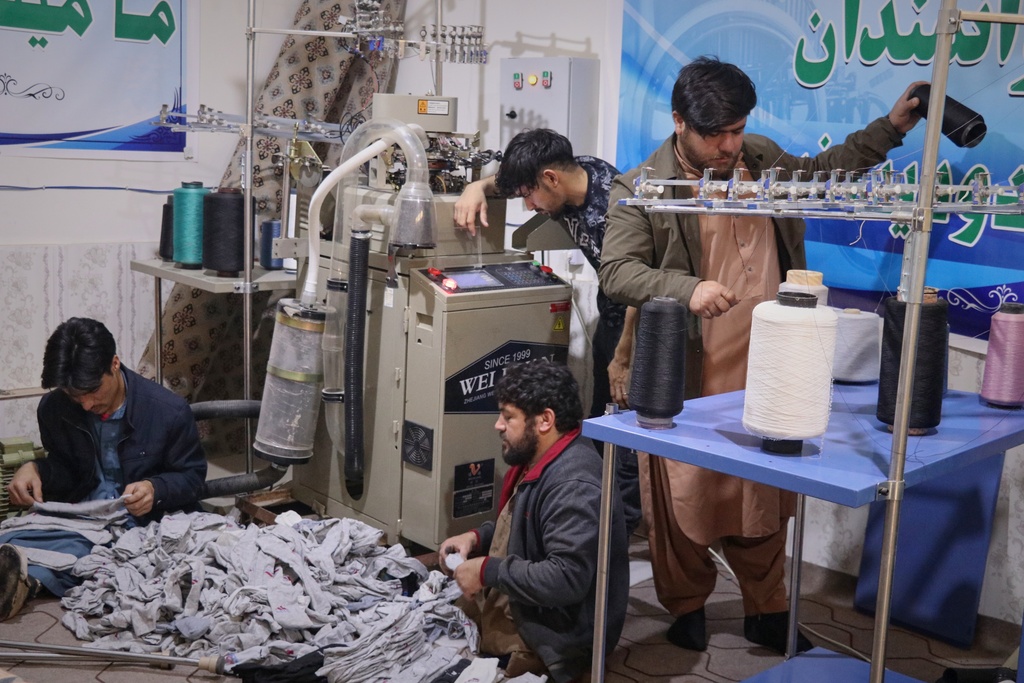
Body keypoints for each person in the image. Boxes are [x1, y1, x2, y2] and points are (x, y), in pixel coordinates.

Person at [598, 56, 925, 654]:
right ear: (678, 122)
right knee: (683, 493)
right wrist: (685, 288)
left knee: (766, 489)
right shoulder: (641, 185)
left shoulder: (759, 158)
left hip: (770, 360)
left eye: (737, 130)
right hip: (689, 367)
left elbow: (821, 174)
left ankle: (766, 609)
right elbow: (617, 271)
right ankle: (688, 605)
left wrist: (893, 126)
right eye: (714, 134)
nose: (729, 145)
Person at [454, 128, 642, 535]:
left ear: (552, 179)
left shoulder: (614, 207)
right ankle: (590, 527)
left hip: (635, 324)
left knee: (623, 438)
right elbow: (510, 182)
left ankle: (613, 544)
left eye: (531, 195)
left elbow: (640, 287)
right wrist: (476, 186)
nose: (528, 204)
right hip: (611, 315)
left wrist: (623, 357)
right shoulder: (576, 172)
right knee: (598, 426)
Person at [0, 317, 207, 621]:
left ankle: (30, 581)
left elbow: (192, 479)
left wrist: (155, 489)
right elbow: (66, 469)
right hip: (86, 516)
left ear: (114, 364)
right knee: (16, 540)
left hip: (143, 522)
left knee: (111, 557)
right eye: (74, 395)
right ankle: (27, 576)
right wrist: (35, 469)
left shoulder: (168, 411)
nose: (85, 404)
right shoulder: (54, 408)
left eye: (92, 390)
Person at [438, 359, 629, 683]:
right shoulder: (541, 459)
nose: (498, 425)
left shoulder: (574, 485)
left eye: (508, 417)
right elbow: (526, 528)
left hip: (556, 636)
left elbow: (566, 578)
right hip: (530, 605)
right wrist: (477, 538)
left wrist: (487, 570)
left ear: (545, 421)